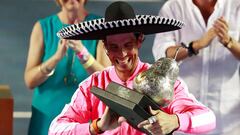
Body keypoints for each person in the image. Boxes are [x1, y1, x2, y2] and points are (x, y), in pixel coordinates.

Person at [48, 1, 216, 135]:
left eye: (128, 45)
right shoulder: (92, 85)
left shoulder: (164, 81)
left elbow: (208, 119)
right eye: (113, 47)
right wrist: (97, 126)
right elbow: (55, 130)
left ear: (139, 40)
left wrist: (176, 121)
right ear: (105, 46)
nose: (122, 54)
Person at [152, 0, 240, 134]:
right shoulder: (173, 7)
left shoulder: (236, 6)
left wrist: (229, 42)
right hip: (182, 119)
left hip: (228, 122)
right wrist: (196, 46)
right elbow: (162, 56)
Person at [24, 0, 111, 135]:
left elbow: (107, 80)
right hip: (45, 119)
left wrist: (82, 53)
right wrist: (55, 58)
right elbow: (30, 81)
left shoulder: (101, 27)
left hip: (85, 122)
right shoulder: (42, 27)